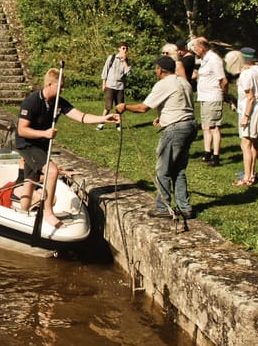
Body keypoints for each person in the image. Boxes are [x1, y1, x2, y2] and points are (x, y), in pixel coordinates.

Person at [16, 68, 119, 227]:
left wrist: (104, 118)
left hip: (41, 144)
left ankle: (23, 214)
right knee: (52, 171)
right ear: (49, 84)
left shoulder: (58, 102)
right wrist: (44, 133)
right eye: (60, 86)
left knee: (31, 179)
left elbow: (81, 117)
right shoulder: (32, 101)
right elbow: (22, 129)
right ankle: (47, 212)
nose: (63, 89)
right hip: (27, 143)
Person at [116, 56, 197, 218]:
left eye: (156, 68)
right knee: (179, 169)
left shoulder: (163, 84)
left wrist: (124, 106)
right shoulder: (183, 82)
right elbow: (182, 104)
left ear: (160, 69)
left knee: (163, 169)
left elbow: (143, 108)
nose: (155, 71)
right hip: (190, 125)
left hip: (175, 129)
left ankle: (163, 207)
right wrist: (162, 116)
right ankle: (185, 207)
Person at [231, 47, 258, 186]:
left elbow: (250, 98)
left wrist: (246, 116)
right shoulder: (257, 70)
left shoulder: (246, 74)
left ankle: (247, 178)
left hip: (251, 110)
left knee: (245, 143)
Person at [193, 37, 228, 166]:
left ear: (202, 48)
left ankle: (216, 156)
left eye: (195, 47)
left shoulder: (214, 59)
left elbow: (223, 80)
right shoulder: (203, 60)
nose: (194, 50)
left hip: (213, 96)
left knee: (214, 127)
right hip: (204, 97)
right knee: (206, 126)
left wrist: (224, 95)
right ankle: (207, 153)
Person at [97, 42, 131, 131]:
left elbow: (128, 73)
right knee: (107, 107)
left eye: (126, 48)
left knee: (119, 108)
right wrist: (103, 84)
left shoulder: (127, 61)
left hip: (120, 87)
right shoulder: (111, 58)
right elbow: (105, 70)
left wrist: (124, 61)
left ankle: (118, 125)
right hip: (110, 85)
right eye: (123, 48)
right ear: (119, 49)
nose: (125, 50)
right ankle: (101, 123)